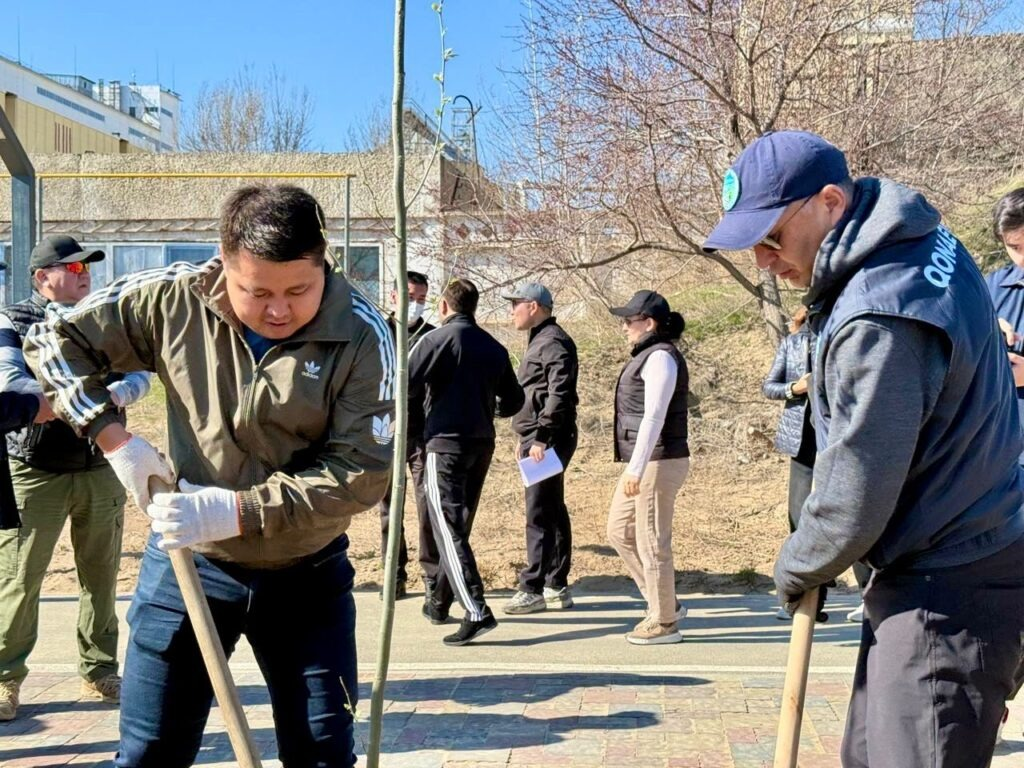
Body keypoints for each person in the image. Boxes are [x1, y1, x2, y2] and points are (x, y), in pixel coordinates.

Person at [24, 185, 395, 767]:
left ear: (324, 264)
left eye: (299, 290)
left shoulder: (363, 332)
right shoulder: (173, 297)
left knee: (321, 753)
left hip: (306, 572)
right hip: (187, 564)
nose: (279, 310)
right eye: (258, 292)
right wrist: (113, 438)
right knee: (149, 752)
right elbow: (52, 338)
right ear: (223, 264)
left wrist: (237, 511)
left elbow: (362, 472)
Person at [703, 130, 1024, 766]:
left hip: (948, 581)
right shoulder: (919, 240)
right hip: (952, 554)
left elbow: (857, 487)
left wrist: (799, 564)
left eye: (772, 237)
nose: (762, 261)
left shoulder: (879, 316)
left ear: (829, 202)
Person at [0, 236, 154, 722]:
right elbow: (12, 384)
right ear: (41, 277)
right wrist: (86, 400)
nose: (84, 274)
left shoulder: (105, 318)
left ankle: (100, 669)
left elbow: (140, 375)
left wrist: (114, 395)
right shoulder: (12, 321)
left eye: (87, 267)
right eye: (72, 268)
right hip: (35, 470)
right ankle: (5, 679)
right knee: (19, 579)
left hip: (100, 467)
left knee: (102, 576)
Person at [408, 277, 524, 645]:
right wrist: (487, 409)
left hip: (443, 444)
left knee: (446, 527)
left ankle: (475, 609)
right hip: (481, 443)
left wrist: (417, 428)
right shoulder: (493, 346)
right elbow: (515, 399)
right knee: (455, 526)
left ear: (444, 306)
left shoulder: (434, 340)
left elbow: (403, 386)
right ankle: (440, 602)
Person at [606, 290, 690, 646]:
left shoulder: (660, 358)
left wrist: (636, 469)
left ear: (649, 323)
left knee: (652, 542)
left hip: (659, 461)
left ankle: (665, 622)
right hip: (646, 460)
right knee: (618, 530)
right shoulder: (648, 355)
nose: (624, 326)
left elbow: (654, 416)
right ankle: (664, 601)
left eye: (630, 320)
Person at [501, 282, 579, 615]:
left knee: (539, 511)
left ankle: (532, 587)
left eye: (515, 305)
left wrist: (541, 439)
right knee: (551, 507)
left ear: (533, 306)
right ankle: (555, 584)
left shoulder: (553, 342)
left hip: (548, 439)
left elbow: (559, 394)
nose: (511, 312)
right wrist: (525, 436)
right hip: (538, 438)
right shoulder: (541, 339)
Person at [377, 270, 437, 600]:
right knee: (389, 509)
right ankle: (393, 575)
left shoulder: (431, 336)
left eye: (422, 299)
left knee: (428, 507)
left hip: (422, 435)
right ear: (394, 296)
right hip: (386, 432)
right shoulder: (378, 332)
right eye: (411, 297)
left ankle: (432, 577)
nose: (416, 304)